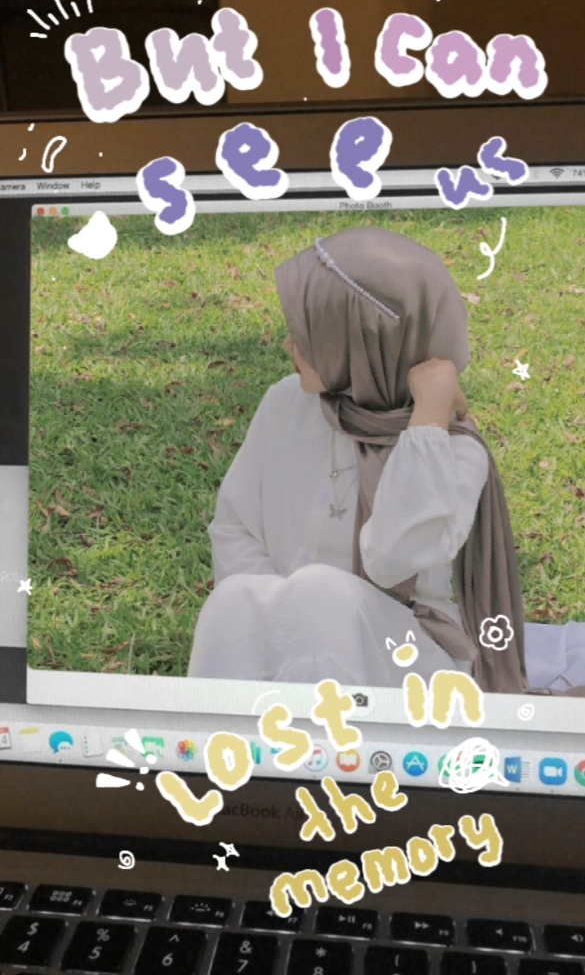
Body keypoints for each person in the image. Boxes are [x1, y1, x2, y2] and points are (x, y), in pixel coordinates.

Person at [186, 226, 541, 693]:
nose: (289, 346)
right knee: (235, 598)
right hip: (287, 643)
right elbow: (235, 527)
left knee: (319, 592)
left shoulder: (453, 448)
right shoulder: (287, 403)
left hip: (404, 659)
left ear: (363, 341)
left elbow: (394, 560)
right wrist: (282, 625)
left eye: (310, 334)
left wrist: (427, 421)